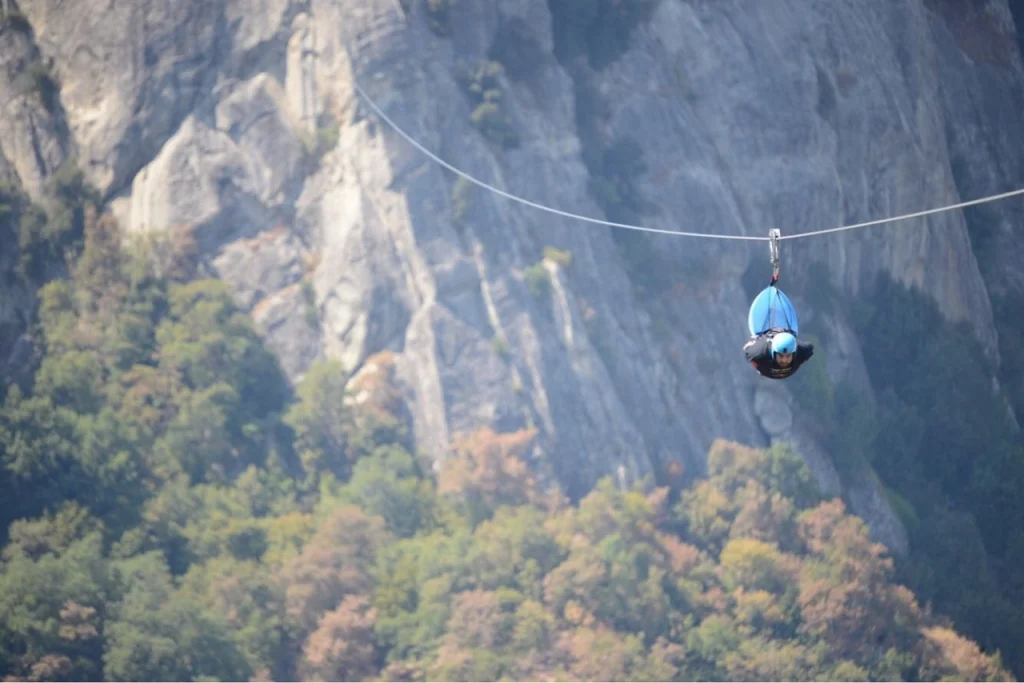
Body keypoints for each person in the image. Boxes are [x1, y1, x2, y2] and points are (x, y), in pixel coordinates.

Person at [743, 328, 814, 379]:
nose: (784, 360)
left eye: (788, 356)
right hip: (787, 372)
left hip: (766, 371)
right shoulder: (803, 350)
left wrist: (752, 344)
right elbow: (810, 348)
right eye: (780, 356)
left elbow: (747, 352)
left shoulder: (759, 352)